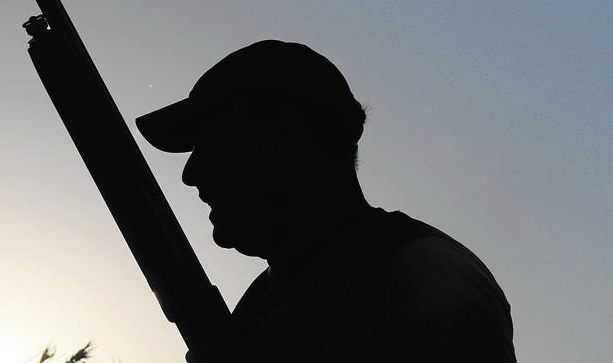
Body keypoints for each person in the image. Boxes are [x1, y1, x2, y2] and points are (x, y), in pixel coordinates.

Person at [136, 40, 515, 362]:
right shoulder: (262, 300)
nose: (191, 174)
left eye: (209, 142)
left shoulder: (423, 274)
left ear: (283, 131)